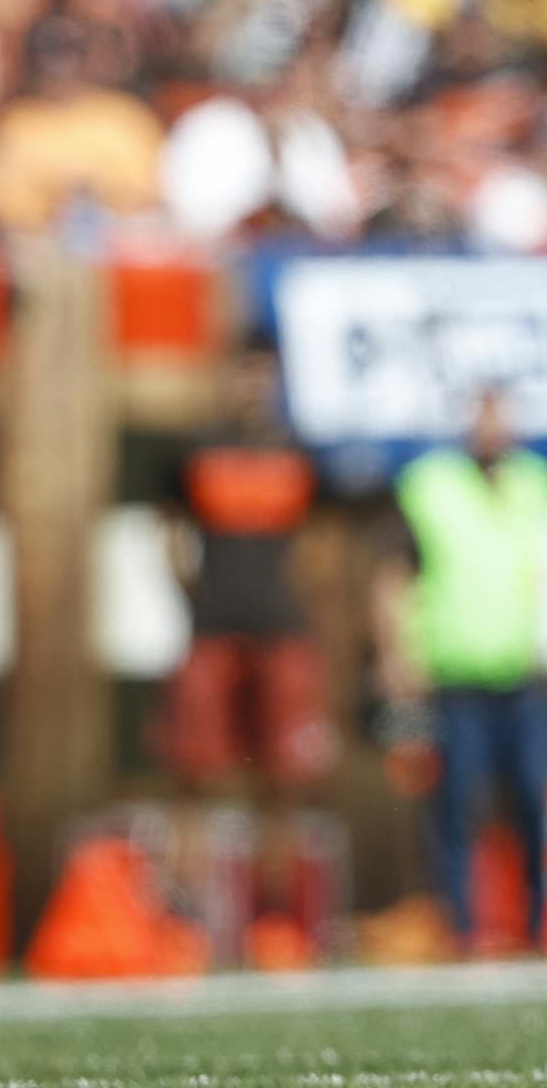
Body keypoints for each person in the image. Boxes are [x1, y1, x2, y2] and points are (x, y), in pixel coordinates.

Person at [157, 336, 339, 956]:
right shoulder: (197, 449)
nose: (253, 386)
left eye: (263, 374)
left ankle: (274, 922)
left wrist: (294, 592)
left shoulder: (298, 452)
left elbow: (320, 538)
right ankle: (183, 924)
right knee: (193, 775)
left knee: (281, 782)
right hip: (212, 628)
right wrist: (193, 595)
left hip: (280, 631)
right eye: (244, 373)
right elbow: (169, 528)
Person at [390, 391, 547, 948]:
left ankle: (539, 928)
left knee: (536, 799)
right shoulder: (430, 486)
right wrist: (400, 655)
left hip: (524, 673)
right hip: (455, 675)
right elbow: (394, 573)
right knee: (457, 806)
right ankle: (462, 929)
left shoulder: (538, 483)